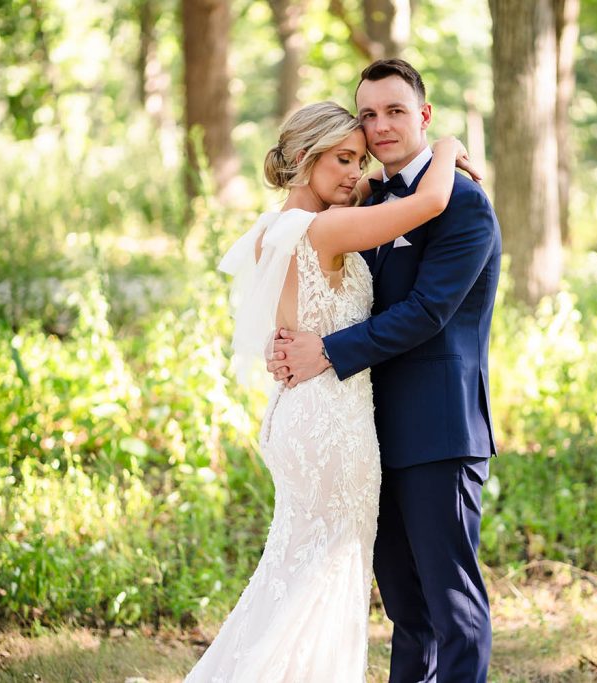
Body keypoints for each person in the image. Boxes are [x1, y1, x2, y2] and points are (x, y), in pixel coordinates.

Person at [183, 101, 476, 682]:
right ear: (301, 158)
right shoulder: (327, 228)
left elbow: (364, 193)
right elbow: (429, 201)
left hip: (297, 415)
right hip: (332, 425)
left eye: (359, 159)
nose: (354, 173)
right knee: (325, 582)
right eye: (342, 159)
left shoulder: (271, 230)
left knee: (295, 573)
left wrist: (361, 166)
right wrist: (444, 147)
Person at [268, 59, 502, 683]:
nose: (380, 126)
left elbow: (427, 312)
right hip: (367, 435)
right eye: (368, 115)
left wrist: (328, 350)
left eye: (395, 111)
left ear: (423, 115)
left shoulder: (464, 205)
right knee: (404, 607)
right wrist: (289, 342)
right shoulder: (367, 202)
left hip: (438, 433)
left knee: (451, 605)